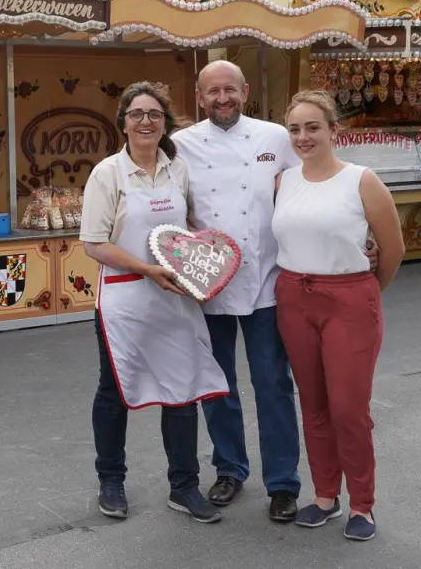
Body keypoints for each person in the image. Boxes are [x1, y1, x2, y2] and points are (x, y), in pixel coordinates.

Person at [80, 81, 227, 525]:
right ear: (123, 122)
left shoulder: (177, 169)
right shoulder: (108, 173)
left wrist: (206, 263)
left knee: (181, 391)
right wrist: (147, 271)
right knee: (115, 390)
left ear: (164, 123)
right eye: (137, 114)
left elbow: (188, 231)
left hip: (174, 298)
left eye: (154, 115)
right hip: (125, 297)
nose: (146, 122)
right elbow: (93, 243)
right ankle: (111, 481)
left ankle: (184, 486)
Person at [171, 61, 305, 522]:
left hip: (266, 281)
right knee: (217, 385)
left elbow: (307, 191)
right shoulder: (181, 145)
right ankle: (229, 468)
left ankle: (283, 483)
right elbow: (172, 207)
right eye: (213, 92)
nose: (222, 98)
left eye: (230, 89)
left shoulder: (275, 138)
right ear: (199, 96)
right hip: (208, 285)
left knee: (273, 384)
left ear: (245, 91)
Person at [272, 90, 405, 542]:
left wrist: (365, 291)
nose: (303, 137)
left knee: (349, 409)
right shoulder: (284, 182)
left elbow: (393, 248)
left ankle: (362, 505)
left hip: (348, 300)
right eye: (295, 129)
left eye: (313, 127)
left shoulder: (362, 180)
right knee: (314, 406)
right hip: (293, 297)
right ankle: (325, 495)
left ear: (334, 130)